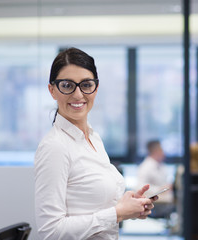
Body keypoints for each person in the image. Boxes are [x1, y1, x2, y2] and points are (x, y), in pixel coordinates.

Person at [34, 47, 156, 240]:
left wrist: (127, 206)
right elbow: (50, 231)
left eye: (86, 84)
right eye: (67, 85)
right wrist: (117, 213)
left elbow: (93, 207)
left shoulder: (93, 137)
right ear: (52, 90)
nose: (78, 94)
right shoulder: (55, 147)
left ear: (96, 89)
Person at [136, 140, 174, 217]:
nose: (163, 152)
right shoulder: (145, 167)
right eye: (161, 149)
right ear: (156, 151)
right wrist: (160, 189)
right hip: (154, 207)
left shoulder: (161, 165)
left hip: (164, 202)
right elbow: (140, 187)